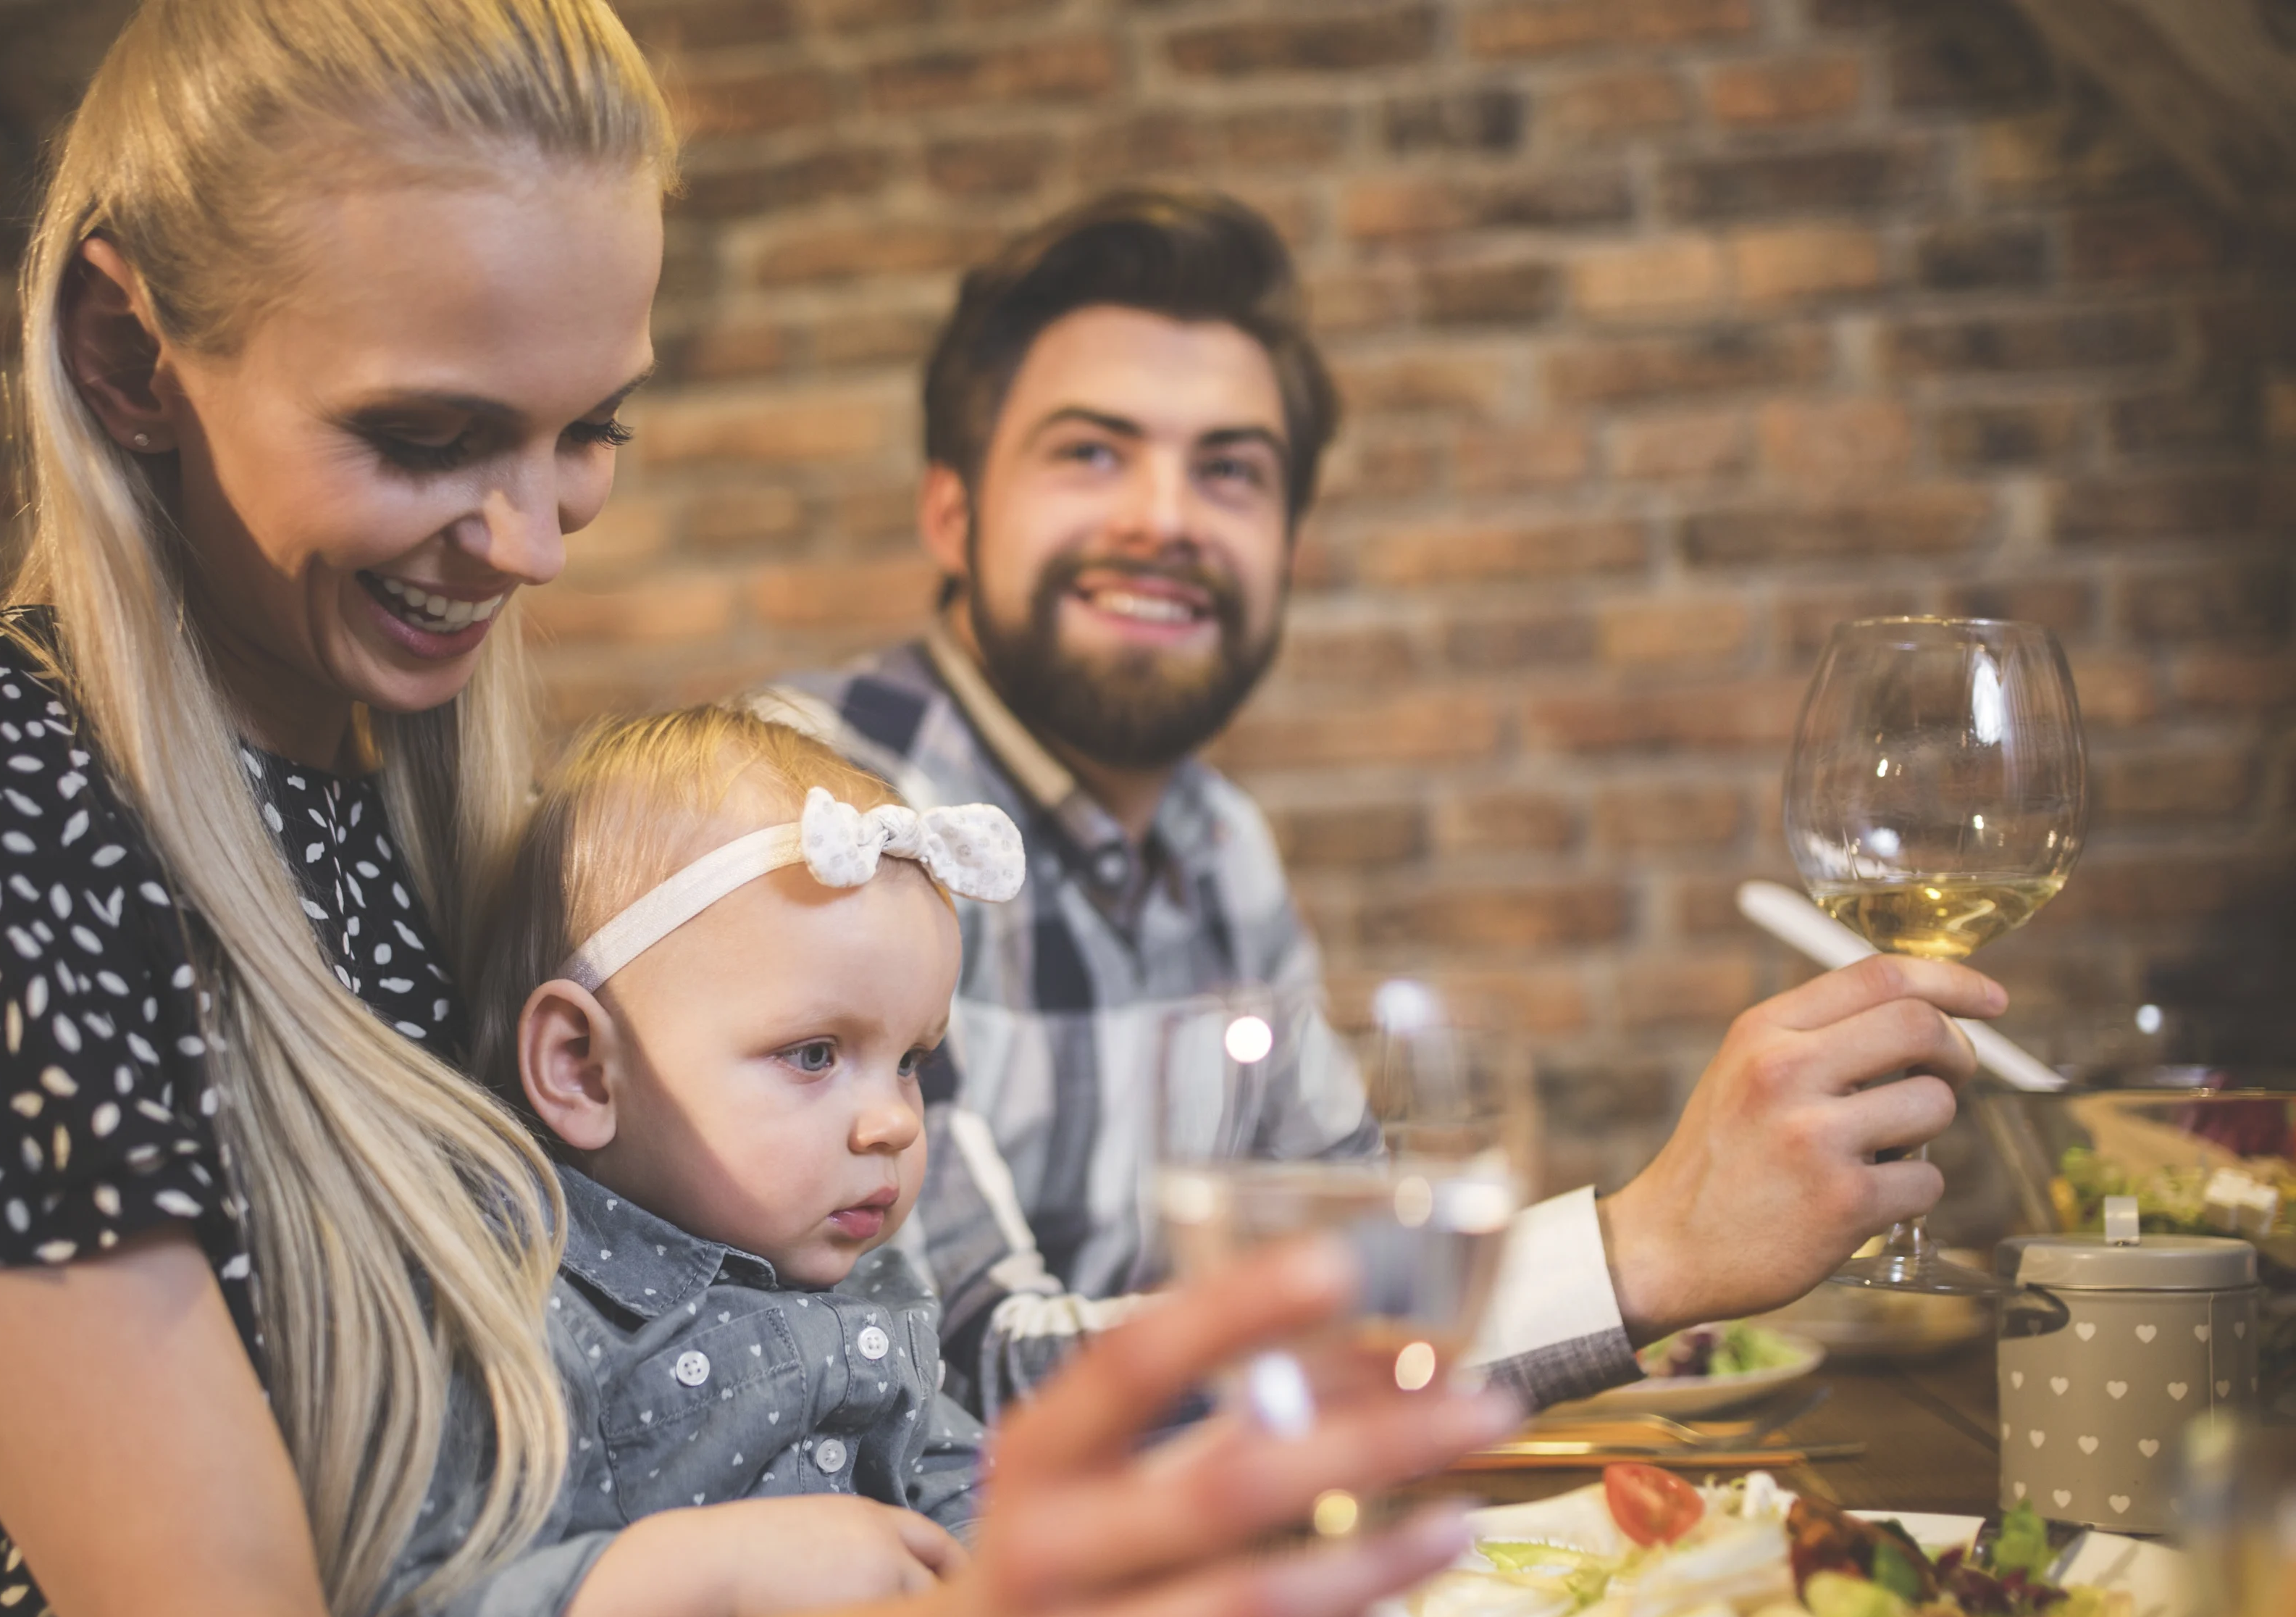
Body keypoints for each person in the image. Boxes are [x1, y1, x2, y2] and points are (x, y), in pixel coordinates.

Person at [0, 8, 1517, 1617]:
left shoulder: (406, 783)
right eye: (427, 439)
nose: (529, 541)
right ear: (130, 357)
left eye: (593, 429)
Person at [766, 188, 2005, 1418]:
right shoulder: (819, 810)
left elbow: (1342, 1263)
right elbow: (946, 1387)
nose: (1165, 519)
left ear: (1290, 549)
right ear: (951, 509)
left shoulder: (1221, 841)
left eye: (1232, 472)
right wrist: (1644, 1249)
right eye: (1092, 452)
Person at [390, 706, 1026, 1617]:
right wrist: (710, 1578)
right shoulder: (523, 1322)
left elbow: (947, 1475)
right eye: (814, 1054)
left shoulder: (871, 1289)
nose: (894, 1120)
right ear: (583, 1070)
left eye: (911, 1061)